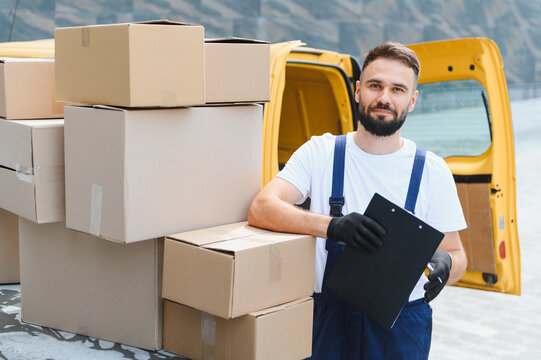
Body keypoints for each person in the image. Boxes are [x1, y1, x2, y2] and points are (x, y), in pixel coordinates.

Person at [247, 41, 468, 359]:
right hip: (327, 322)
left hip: (402, 327)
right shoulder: (320, 153)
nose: (384, 98)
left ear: (413, 100)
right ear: (357, 90)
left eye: (398, 89)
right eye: (375, 85)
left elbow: (456, 253)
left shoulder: (432, 171)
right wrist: (332, 226)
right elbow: (261, 208)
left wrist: (448, 265)